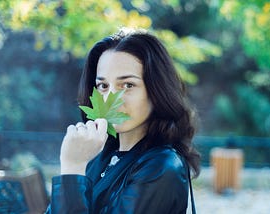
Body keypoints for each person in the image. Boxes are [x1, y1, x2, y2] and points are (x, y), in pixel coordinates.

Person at [46, 28, 200, 214]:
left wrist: (73, 167)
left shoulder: (162, 166)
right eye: (103, 86)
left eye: (128, 85)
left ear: (156, 90)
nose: (112, 99)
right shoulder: (98, 155)